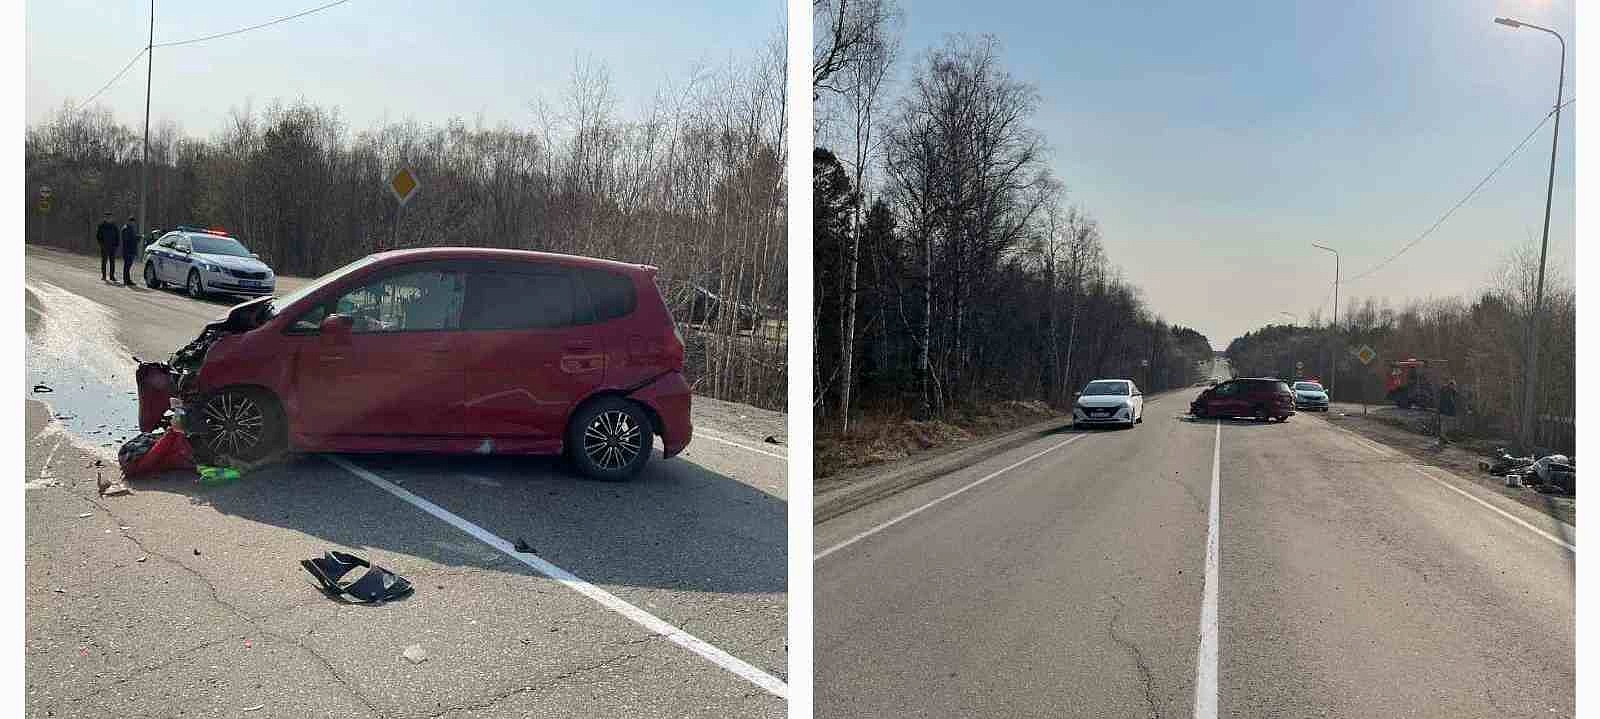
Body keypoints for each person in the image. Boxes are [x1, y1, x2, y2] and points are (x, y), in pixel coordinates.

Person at [95, 213, 120, 282]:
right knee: (104, 262)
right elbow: (98, 236)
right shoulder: (101, 226)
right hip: (104, 246)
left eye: (110, 217)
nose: (108, 218)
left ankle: (112, 276)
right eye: (107, 217)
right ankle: (104, 276)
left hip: (112, 247)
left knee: (112, 262)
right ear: (105, 218)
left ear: (112, 218)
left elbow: (117, 236)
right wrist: (101, 244)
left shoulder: (114, 226)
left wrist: (116, 245)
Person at [119, 216, 140, 286]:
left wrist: (137, 238)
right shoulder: (126, 229)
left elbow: (132, 239)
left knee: (129, 266)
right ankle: (126, 280)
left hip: (131, 250)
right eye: (131, 222)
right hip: (127, 250)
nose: (133, 223)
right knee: (127, 266)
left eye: (133, 222)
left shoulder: (131, 229)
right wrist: (136, 239)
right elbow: (127, 240)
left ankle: (128, 280)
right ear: (129, 222)